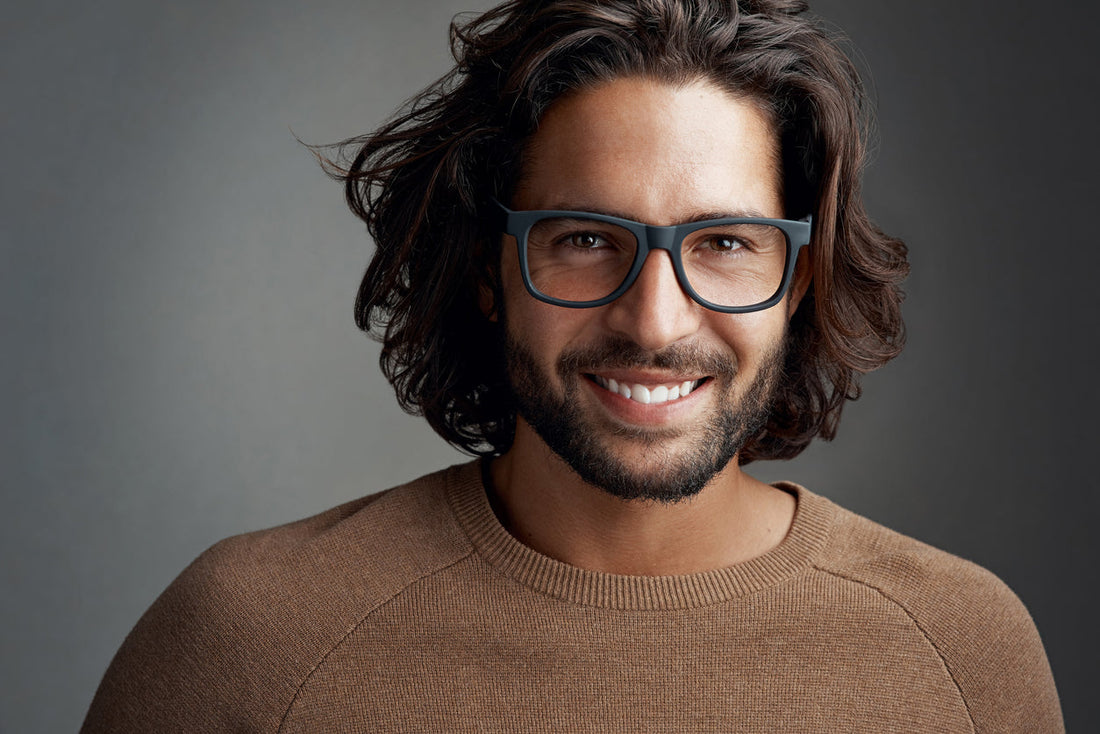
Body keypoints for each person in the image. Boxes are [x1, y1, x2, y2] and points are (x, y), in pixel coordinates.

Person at [82, 0, 1063, 731]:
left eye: (724, 242)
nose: (654, 319)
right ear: (488, 268)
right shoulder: (249, 639)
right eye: (587, 239)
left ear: (795, 282)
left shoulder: (960, 648)